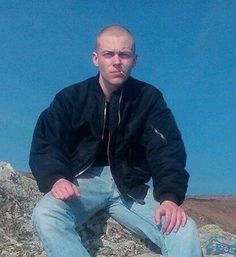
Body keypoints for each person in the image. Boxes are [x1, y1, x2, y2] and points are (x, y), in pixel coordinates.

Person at [30, 25, 202, 257]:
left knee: (184, 229)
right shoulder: (70, 98)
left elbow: (167, 149)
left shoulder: (149, 99)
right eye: (108, 54)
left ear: (134, 59)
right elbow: (48, 141)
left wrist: (169, 197)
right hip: (83, 184)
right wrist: (57, 177)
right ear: (95, 58)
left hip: (129, 188)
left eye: (124, 54)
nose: (116, 61)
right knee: (46, 214)